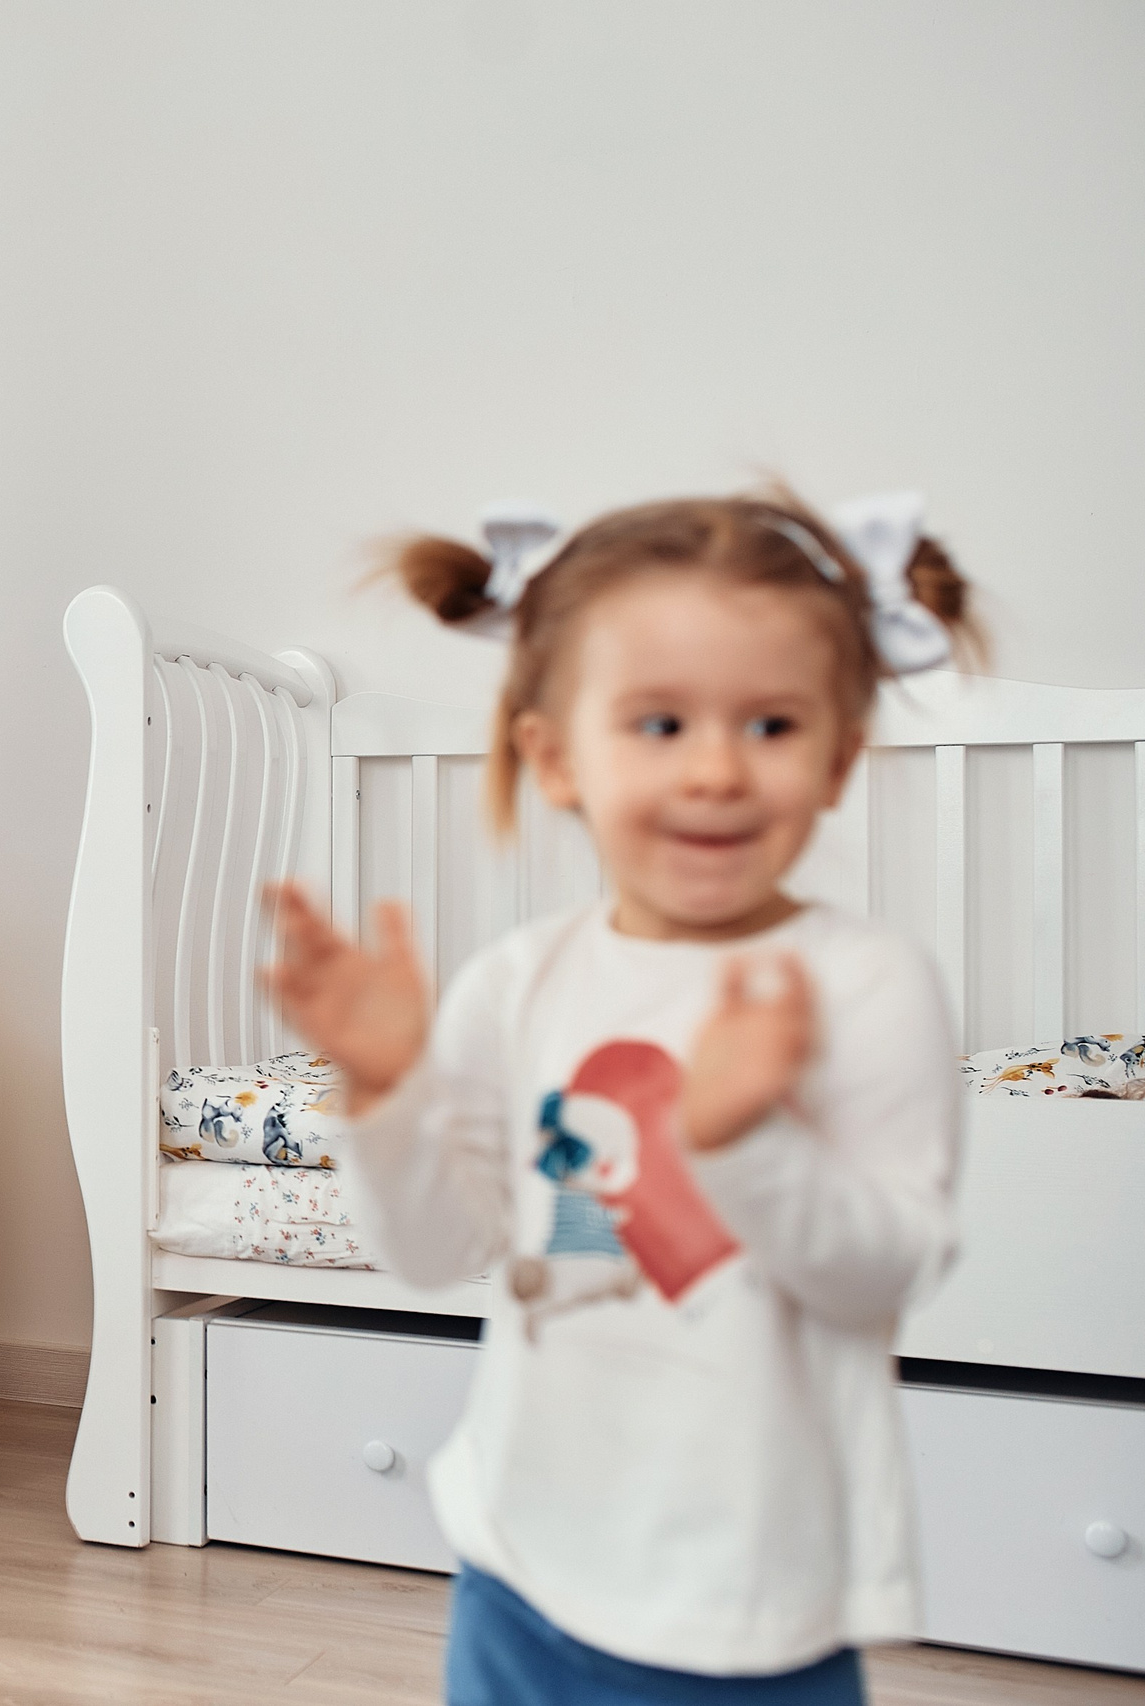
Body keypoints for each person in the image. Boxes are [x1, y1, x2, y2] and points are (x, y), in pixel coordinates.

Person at [263, 491, 979, 1703]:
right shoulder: (519, 981)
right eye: (657, 721)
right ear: (554, 756)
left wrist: (744, 1139)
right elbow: (439, 1252)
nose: (712, 769)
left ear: (838, 757)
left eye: (769, 723)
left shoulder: (864, 984)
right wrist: (387, 1092)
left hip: (752, 1608)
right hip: (517, 1565)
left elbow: (883, 1269)